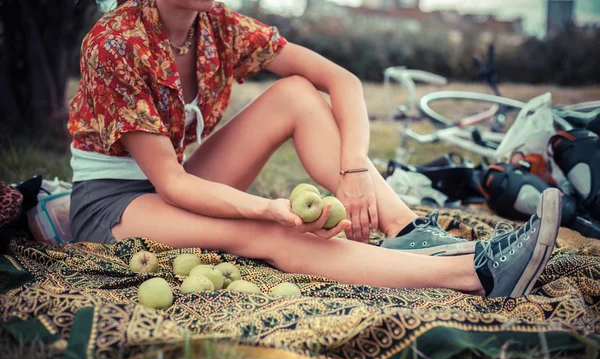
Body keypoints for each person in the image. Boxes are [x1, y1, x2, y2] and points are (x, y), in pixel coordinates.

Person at [68, 0, 562, 298]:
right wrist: (267, 209)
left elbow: (340, 80)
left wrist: (354, 169)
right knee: (271, 234)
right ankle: (473, 275)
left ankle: (407, 231)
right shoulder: (115, 42)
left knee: (298, 94)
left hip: (181, 181)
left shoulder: (216, 26)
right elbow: (169, 184)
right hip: (117, 203)